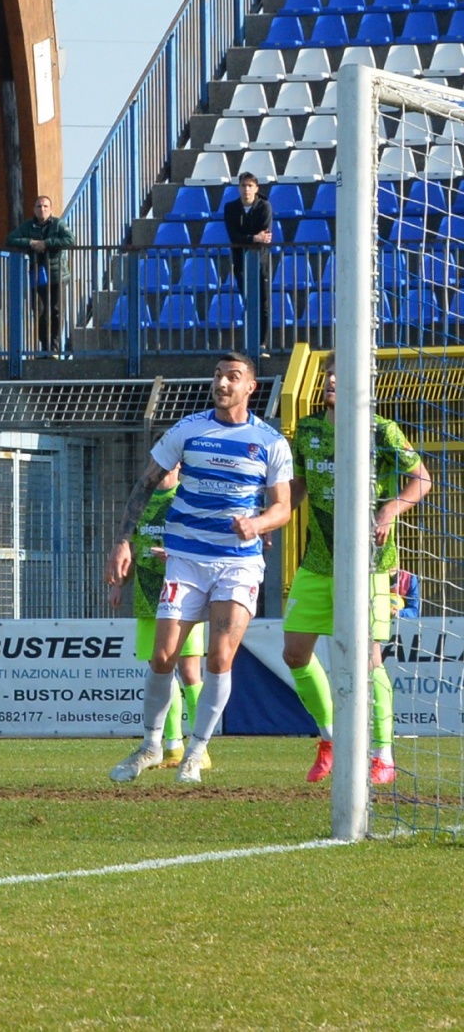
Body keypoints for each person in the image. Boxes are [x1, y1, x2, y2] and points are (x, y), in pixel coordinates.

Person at [104, 352, 294, 785]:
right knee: (163, 656)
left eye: (233, 377)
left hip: (237, 564)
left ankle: (196, 752)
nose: (223, 383)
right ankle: (151, 745)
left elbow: (282, 507)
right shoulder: (188, 429)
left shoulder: (270, 442)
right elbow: (146, 483)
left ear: (251, 388)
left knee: (220, 657)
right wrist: (122, 541)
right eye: (218, 376)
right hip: (185, 560)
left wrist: (258, 523)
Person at [283, 356, 431, 786]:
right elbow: (299, 486)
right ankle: (331, 739)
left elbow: (421, 480)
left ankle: (383, 754)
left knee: (367, 660)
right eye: (328, 375)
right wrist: (269, 519)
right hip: (317, 562)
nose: (332, 379)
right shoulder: (308, 432)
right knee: (294, 653)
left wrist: (390, 508)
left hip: (370, 564)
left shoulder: (381, 430)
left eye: (340, 373)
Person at [107, 462, 207, 770]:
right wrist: (120, 585)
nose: (163, 469)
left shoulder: (188, 497)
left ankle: (201, 748)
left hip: (183, 594)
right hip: (148, 596)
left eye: (170, 463)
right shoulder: (142, 501)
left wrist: (177, 555)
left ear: (180, 466)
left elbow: (204, 544)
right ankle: (174, 745)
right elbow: (132, 548)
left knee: (190, 672)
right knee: (160, 671)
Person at [3, 193, 74, 357]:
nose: (42, 209)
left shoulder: (58, 224)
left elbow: (70, 240)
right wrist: (31, 243)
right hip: (38, 274)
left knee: (56, 311)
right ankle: (45, 348)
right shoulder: (28, 226)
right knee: (40, 311)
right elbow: (11, 239)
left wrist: (46, 244)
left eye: (45, 206)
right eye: (39, 206)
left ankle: (54, 348)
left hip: (58, 275)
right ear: (34, 209)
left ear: (51, 209)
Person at [223, 171, 274, 334]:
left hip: (260, 260)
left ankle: (263, 344)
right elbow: (234, 237)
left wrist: (252, 239)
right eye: (243, 186)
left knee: (263, 301)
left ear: (256, 188)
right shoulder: (230, 208)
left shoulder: (265, 206)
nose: (246, 189)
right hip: (240, 261)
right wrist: (254, 238)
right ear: (238, 188)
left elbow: (265, 236)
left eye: (250, 186)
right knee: (248, 301)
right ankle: (249, 339)